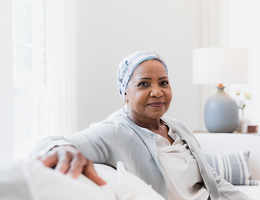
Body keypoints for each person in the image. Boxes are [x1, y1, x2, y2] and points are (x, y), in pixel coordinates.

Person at [31, 51, 253, 200]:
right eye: (144, 84)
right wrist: (62, 150)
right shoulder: (115, 131)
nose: (157, 92)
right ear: (125, 93)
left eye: (163, 82)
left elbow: (213, 180)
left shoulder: (178, 128)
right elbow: (47, 144)